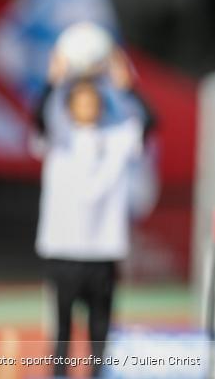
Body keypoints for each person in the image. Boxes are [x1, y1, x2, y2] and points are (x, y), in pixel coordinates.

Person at [34, 47, 155, 377]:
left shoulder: (117, 138)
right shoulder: (58, 138)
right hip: (62, 250)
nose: (87, 105)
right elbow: (38, 117)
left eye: (93, 100)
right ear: (69, 105)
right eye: (80, 100)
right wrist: (52, 82)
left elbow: (150, 121)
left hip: (103, 250)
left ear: (101, 105)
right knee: (60, 331)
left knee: (100, 331)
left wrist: (127, 86)